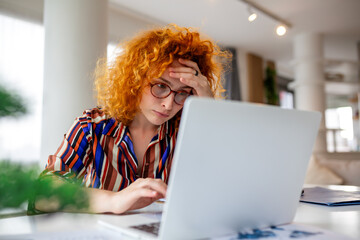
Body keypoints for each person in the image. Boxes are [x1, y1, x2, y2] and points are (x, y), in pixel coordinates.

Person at [34, 24, 230, 214]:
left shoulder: (186, 133)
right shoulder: (91, 126)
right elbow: (42, 195)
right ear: (135, 81)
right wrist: (114, 200)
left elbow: (223, 185)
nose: (169, 104)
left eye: (183, 93)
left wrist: (207, 105)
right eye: (160, 86)